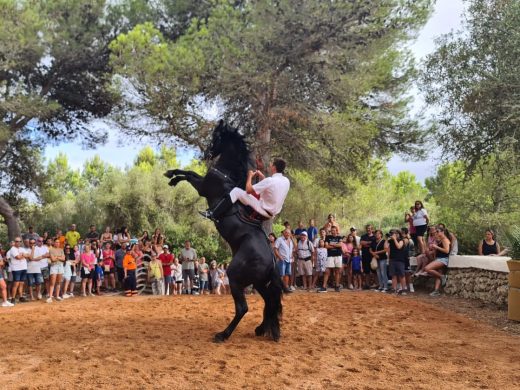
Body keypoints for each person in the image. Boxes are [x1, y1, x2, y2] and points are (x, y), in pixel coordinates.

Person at [198, 158, 290, 222]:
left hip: (262, 209)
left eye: (271, 164)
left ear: (274, 167)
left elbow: (248, 190)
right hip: (272, 214)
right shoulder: (286, 181)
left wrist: (249, 176)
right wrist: (262, 177)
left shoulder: (270, 181)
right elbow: (271, 189)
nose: (270, 166)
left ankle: (213, 214)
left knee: (237, 191)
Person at [425, 226, 452, 296]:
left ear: (442, 232)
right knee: (437, 275)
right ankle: (436, 290)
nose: (436, 233)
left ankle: (443, 277)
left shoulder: (445, 240)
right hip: (439, 258)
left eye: (437, 231)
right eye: (436, 231)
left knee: (427, 268)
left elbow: (446, 251)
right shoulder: (440, 240)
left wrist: (436, 247)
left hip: (443, 259)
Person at [319, 225, 343, 293]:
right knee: (327, 271)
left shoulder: (339, 237)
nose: (333, 231)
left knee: (337, 271)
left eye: (334, 230)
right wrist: (336, 245)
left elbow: (340, 245)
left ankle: (337, 286)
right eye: (332, 230)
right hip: (330, 256)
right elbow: (326, 246)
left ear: (336, 231)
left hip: (338, 255)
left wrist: (331, 244)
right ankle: (324, 287)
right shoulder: (328, 237)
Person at [386, 229, 407, 295]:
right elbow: (386, 247)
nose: (394, 235)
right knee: (393, 275)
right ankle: (394, 289)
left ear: (398, 234)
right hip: (392, 260)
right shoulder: (391, 241)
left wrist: (395, 239)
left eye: (395, 233)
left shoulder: (401, 240)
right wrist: (387, 239)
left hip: (400, 260)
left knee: (401, 275)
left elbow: (398, 247)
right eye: (393, 233)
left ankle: (403, 290)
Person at [8, 237, 28, 304]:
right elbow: (18, 257)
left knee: (21, 283)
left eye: (19, 241)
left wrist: (22, 255)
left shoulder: (22, 248)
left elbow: (28, 255)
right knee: (16, 284)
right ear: (15, 242)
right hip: (16, 268)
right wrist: (23, 255)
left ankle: (21, 297)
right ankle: (13, 298)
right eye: (17, 241)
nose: (18, 242)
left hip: (23, 267)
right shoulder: (12, 249)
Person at [274, 228, 294, 293]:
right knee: (281, 275)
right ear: (283, 233)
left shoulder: (290, 240)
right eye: (286, 232)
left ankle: (286, 287)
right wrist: (279, 257)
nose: (287, 234)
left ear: (290, 234)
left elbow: (291, 250)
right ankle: (279, 288)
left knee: (287, 274)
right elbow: (275, 249)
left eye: (289, 233)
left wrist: (292, 256)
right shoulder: (279, 239)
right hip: (282, 260)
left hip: (289, 260)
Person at [47, 238, 66, 303]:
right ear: (54, 243)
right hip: (54, 266)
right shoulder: (51, 250)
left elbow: (63, 259)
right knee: (52, 282)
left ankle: (57, 296)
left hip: (60, 266)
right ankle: (50, 297)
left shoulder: (61, 250)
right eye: (56, 242)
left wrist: (57, 257)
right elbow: (52, 259)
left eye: (58, 242)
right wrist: (59, 257)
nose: (57, 243)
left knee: (58, 282)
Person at [360, 225, 377, 289]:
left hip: (372, 256)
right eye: (367, 228)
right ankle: (367, 285)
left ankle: (376, 284)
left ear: (372, 229)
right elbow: (361, 243)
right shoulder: (363, 236)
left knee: (374, 271)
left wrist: (366, 243)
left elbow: (374, 244)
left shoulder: (374, 237)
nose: (368, 230)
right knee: (366, 271)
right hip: (365, 255)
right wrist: (370, 243)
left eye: (370, 228)